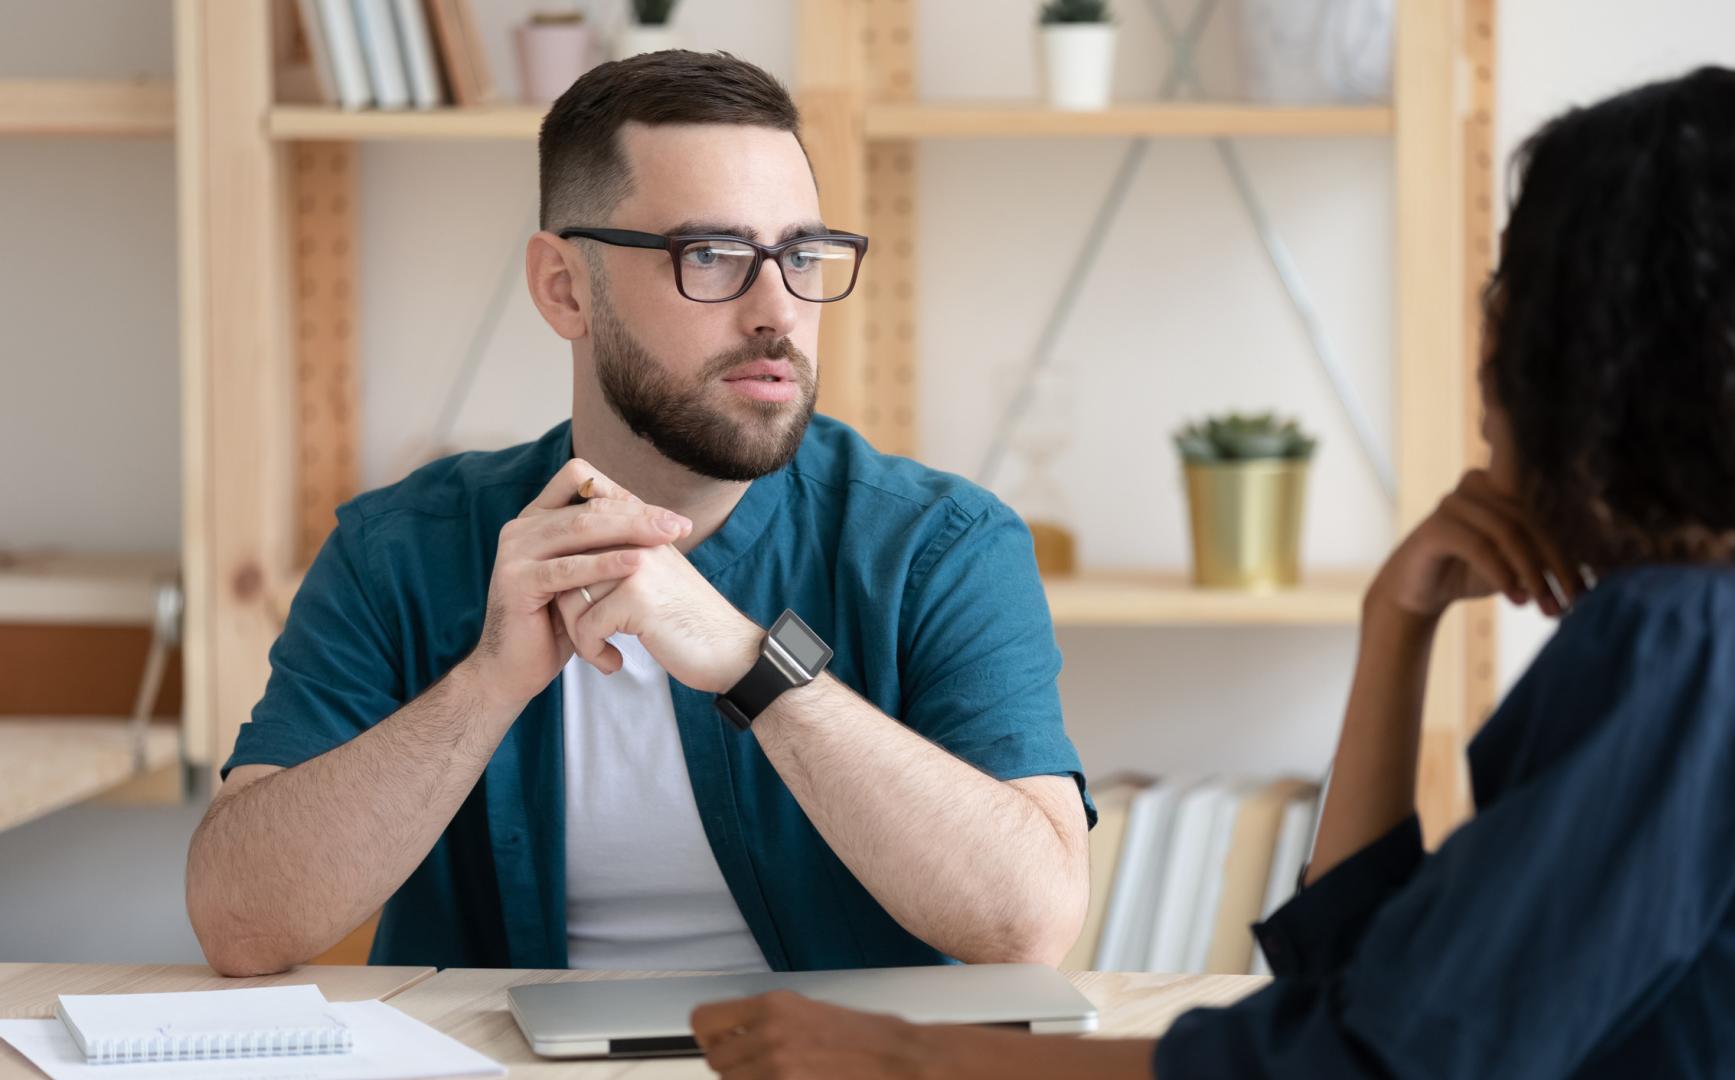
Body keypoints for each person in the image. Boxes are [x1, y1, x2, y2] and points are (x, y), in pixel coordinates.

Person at [687, 66, 1735, 1078]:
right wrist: (1398, 626)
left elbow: (1379, 1066)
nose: (1488, 336)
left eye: (1514, 293)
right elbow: (1367, 982)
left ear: (1590, 353)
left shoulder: (1696, 640)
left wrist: (909, 1062)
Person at [185, 50, 1092, 977]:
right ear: (564, 288)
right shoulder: (399, 552)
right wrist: (487, 686)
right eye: (711, 255)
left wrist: (750, 664)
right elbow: (242, 924)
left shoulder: (938, 546)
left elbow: (1027, 925)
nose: (777, 309)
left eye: (802, 255)